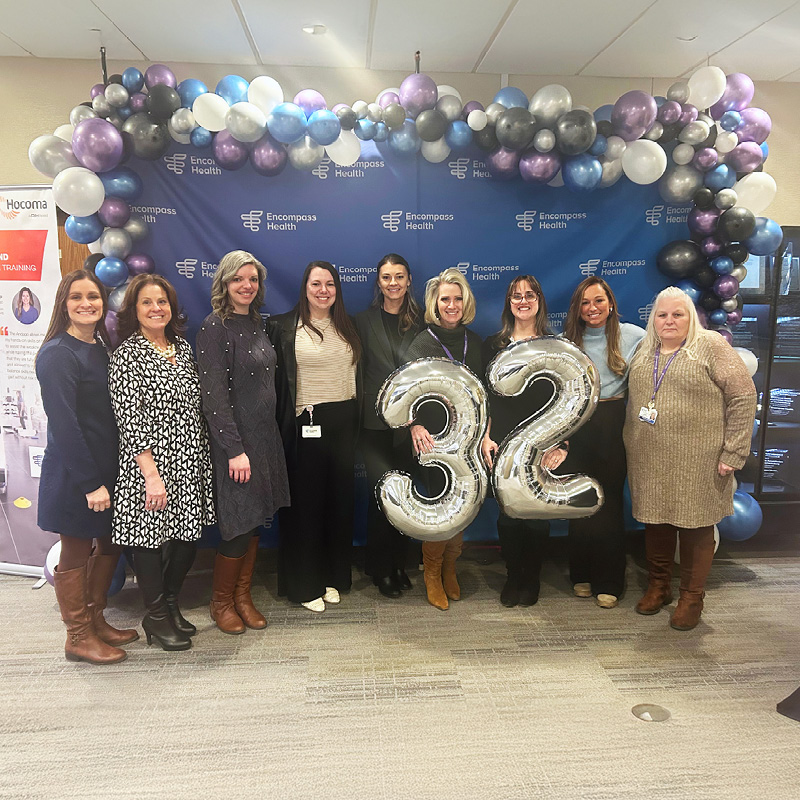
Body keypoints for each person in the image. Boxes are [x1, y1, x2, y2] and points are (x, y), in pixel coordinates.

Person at [623, 286, 756, 630]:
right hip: (649, 458)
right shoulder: (644, 348)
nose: (669, 321)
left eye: (677, 314)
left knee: (697, 528)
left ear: (691, 317)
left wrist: (734, 451)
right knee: (656, 522)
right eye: (662, 315)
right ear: (654, 319)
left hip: (699, 460)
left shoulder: (710, 345)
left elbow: (744, 396)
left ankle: (691, 597)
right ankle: (659, 586)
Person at [109, 274, 215, 650]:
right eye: (147, 303)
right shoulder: (127, 356)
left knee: (187, 537)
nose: (157, 309)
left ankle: (170, 604)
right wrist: (151, 477)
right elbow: (129, 420)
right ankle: (154, 615)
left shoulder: (183, 349)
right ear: (134, 311)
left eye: (162, 302)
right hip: (150, 465)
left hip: (189, 459)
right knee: (149, 541)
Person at [35, 270, 136, 665]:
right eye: (76, 297)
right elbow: (65, 426)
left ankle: (95, 619)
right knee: (76, 552)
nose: (86, 303)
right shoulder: (58, 354)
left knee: (110, 544)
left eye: (92, 296)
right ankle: (77, 636)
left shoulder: (99, 345)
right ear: (64, 303)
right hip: (77, 475)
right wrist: (91, 483)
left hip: (108, 472)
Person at [196, 251, 290, 634]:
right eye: (238, 279)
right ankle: (222, 604)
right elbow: (214, 397)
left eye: (252, 279)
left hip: (264, 439)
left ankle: (243, 597)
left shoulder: (255, 323)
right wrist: (234, 450)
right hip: (235, 446)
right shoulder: (213, 328)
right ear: (224, 283)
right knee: (236, 525)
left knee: (253, 524)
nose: (247, 285)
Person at [268, 261, 362, 613]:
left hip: (344, 424)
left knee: (338, 506)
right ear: (304, 288)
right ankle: (304, 584)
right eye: (316, 284)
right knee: (304, 509)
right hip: (306, 425)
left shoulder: (348, 326)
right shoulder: (281, 326)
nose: (324, 290)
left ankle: (332, 577)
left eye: (330, 284)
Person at [481, 276, 567, 608]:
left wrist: (562, 446)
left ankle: (531, 579)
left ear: (540, 301)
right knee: (508, 515)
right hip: (501, 443)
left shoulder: (556, 345)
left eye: (529, 295)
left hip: (543, 447)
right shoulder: (493, 344)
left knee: (536, 515)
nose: (523, 300)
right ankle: (513, 575)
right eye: (516, 296)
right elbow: (486, 397)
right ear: (509, 303)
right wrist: (486, 436)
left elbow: (567, 401)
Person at [562, 277, 645, 609]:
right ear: (577, 309)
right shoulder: (565, 341)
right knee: (578, 501)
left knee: (608, 504)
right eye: (585, 303)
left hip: (612, 424)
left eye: (598, 301)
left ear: (610, 303)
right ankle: (579, 573)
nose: (592, 308)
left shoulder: (636, 337)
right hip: (574, 426)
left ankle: (610, 580)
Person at [405, 268, 483, 611]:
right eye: (444, 299)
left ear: (465, 302)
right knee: (440, 508)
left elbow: (486, 396)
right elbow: (404, 393)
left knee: (463, 506)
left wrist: (485, 434)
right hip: (433, 443)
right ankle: (432, 572)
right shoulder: (421, 342)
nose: (451, 305)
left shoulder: (475, 342)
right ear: (434, 304)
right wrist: (414, 426)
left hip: (467, 442)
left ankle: (451, 565)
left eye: (457, 298)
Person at [355, 254, 422, 598]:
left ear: (409, 280)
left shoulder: (423, 322)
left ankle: (399, 563)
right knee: (381, 497)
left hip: (412, 426)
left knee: (406, 497)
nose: (392, 283)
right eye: (386, 277)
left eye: (399, 276)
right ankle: (380, 568)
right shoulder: (362, 322)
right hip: (374, 425)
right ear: (378, 282)